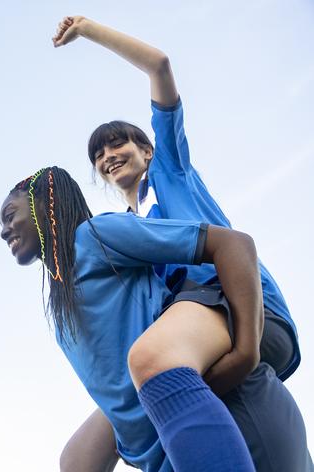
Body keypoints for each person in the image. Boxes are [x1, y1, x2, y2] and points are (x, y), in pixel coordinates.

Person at [52, 16, 301, 471]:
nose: (108, 156)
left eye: (117, 144)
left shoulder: (170, 172)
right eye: (99, 155)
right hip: (186, 333)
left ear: (147, 150)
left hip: (236, 306)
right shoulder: (125, 233)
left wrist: (87, 29)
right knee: (78, 457)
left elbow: (160, 66)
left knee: (157, 364)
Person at [0, 166, 311, 471]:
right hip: (166, 449)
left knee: (147, 358)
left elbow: (234, 243)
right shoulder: (60, 303)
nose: (4, 231)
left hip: (238, 414)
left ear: (43, 204)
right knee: (75, 460)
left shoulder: (94, 237)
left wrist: (246, 350)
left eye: (10, 215)